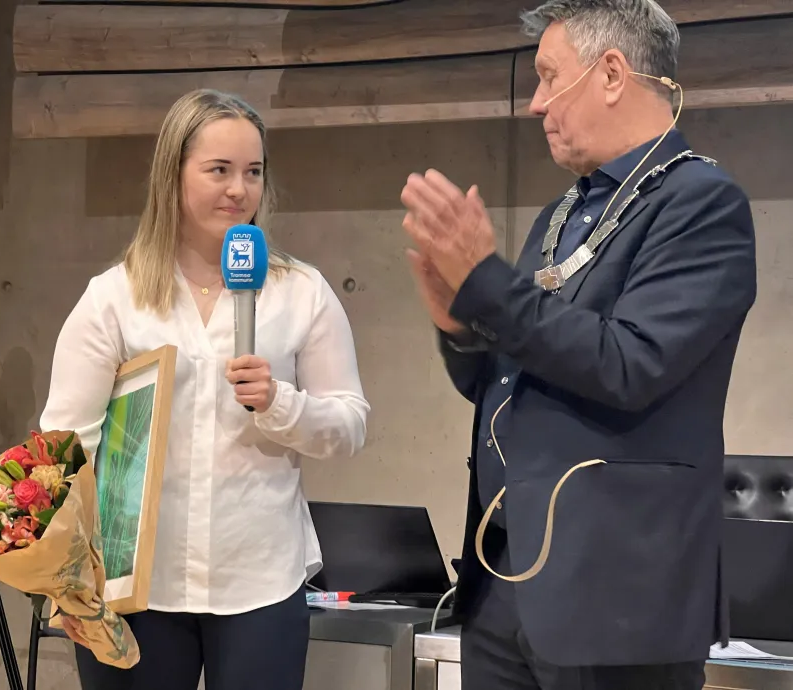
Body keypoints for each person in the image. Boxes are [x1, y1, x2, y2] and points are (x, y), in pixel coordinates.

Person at [400, 1, 757, 688]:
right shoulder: (562, 213)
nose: (535, 105)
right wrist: (460, 329)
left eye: (547, 77)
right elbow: (505, 383)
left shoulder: (702, 204)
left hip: (615, 596)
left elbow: (630, 364)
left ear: (614, 73)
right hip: (506, 579)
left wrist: (488, 285)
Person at [39, 88, 370, 690]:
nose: (239, 190)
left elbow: (350, 426)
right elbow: (65, 446)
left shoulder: (301, 291)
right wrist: (63, 576)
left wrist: (279, 404)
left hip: (260, 583)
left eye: (253, 172)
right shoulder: (114, 297)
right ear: (173, 174)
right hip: (134, 586)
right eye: (219, 170)